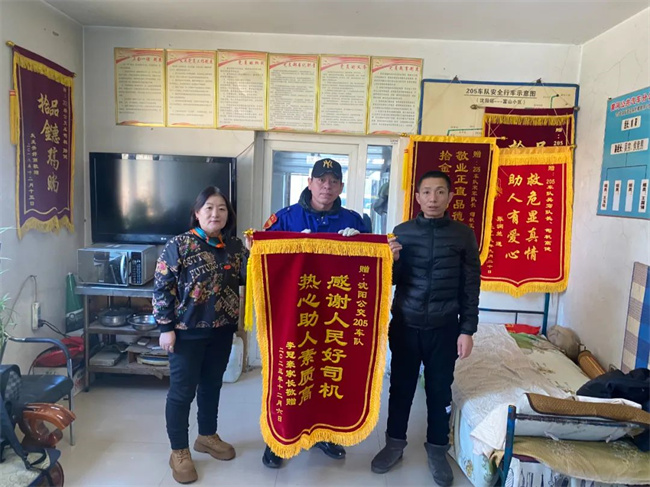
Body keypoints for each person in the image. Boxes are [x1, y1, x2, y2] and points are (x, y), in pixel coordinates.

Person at [370, 170, 480, 486]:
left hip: (444, 328)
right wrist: (391, 261)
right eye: (427, 192)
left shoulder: (463, 235)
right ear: (417, 197)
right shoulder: (402, 232)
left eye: (440, 192)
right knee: (401, 388)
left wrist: (467, 330)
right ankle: (394, 444)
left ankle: (436, 449)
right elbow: (391, 281)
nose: (433, 199)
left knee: (439, 390)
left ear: (450, 197)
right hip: (406, 324)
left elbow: (470, 285)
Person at [259, 158, 368, 468]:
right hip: (292, 315)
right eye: (321, 180)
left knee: (328, 373)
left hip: (334, 316)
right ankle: (278, 439)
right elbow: (261, 257)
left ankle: (324, 434)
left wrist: (359, 245)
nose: (326, 186)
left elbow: (370, 266)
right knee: (287, 374)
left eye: (333, 181)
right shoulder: (285, 218)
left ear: (341, 187)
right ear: (309, 182)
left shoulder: (355, 221)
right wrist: (290, 245)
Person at [153, 186, 248, 484]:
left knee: (211, 385)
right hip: (186, 331)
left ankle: (207, 436)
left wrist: (255, 251)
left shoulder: (234, 246)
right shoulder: (179, 245)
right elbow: (162, 288)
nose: (215, 214)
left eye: (221, 208)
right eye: (209, 208)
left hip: (222, 329)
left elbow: (251, 277)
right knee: (182, 392)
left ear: (228, 215)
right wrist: (165, 328)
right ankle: (179, 451)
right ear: (197, 213)